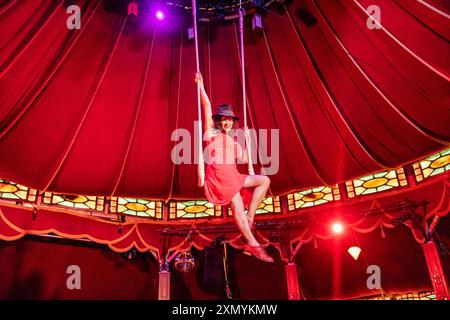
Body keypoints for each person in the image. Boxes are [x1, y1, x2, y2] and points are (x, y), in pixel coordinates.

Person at [195, 72, 273, 263]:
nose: (227, 121)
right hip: (221, 180)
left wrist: (246, 140)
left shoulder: (234, 142)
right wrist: (201, 86)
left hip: (235, 176)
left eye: (230, 119)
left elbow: (244, 158)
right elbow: (206, 106)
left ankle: (250, 218)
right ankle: (254, 244)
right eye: (224, 119)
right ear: (218, 120)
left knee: (264, 180)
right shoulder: (211, 133)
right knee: (237, 206)